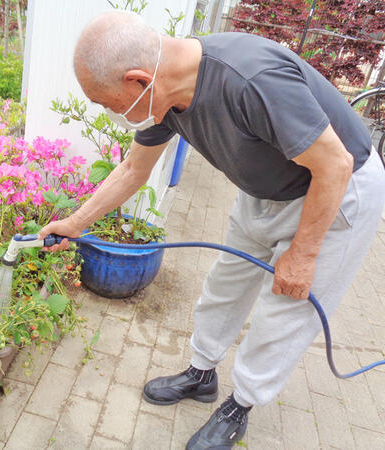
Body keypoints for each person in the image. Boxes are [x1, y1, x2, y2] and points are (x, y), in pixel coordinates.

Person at [39, 10, 385, 450]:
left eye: (108, 103)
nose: (111, 113)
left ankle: (241, 404)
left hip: (335, 190)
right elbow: (132, 170)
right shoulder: (162, 97)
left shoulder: (252, 80)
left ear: (139, 81)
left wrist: (303, 253)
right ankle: (202, 374)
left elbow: (334, 165)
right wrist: (74, 224)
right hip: (265, 189)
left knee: (283, 310)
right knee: (224, 284)